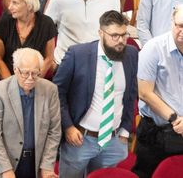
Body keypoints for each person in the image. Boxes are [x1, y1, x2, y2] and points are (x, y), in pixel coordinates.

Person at [53, 10, 138, 178]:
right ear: (100, 33)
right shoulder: (78, 54)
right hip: (80, 139)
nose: (120, 41)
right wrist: (68, 126)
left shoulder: (131, 54)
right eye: (114, 35)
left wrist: (126, 129)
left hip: (113, 140)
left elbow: (130, 94)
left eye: (124, 34)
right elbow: (57, 92)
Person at [0, 47, 61, 178]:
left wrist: (46, 166)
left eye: (35, 73)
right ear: (15, 69)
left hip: (35, 161)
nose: (30, 78)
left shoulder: (50, 90)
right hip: (3, 163)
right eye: (25, 73)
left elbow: (54, 131)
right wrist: (5, 169)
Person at [134, 5, 183, 178]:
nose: (182, 31)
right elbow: (144, 93)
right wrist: (175, 118)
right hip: (156, 132)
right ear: (172, 21)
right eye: (179, 25)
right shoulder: (153, 48)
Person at [0, 0, 58, 79]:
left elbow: (49, 58)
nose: (10, 7)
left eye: (15, 3)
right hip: (6, 79)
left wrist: (33, 80)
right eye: (10, 2)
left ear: (29, 5)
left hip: (34, 78)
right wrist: (12, 85)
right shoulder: (5, 21)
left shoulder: (46, 24)